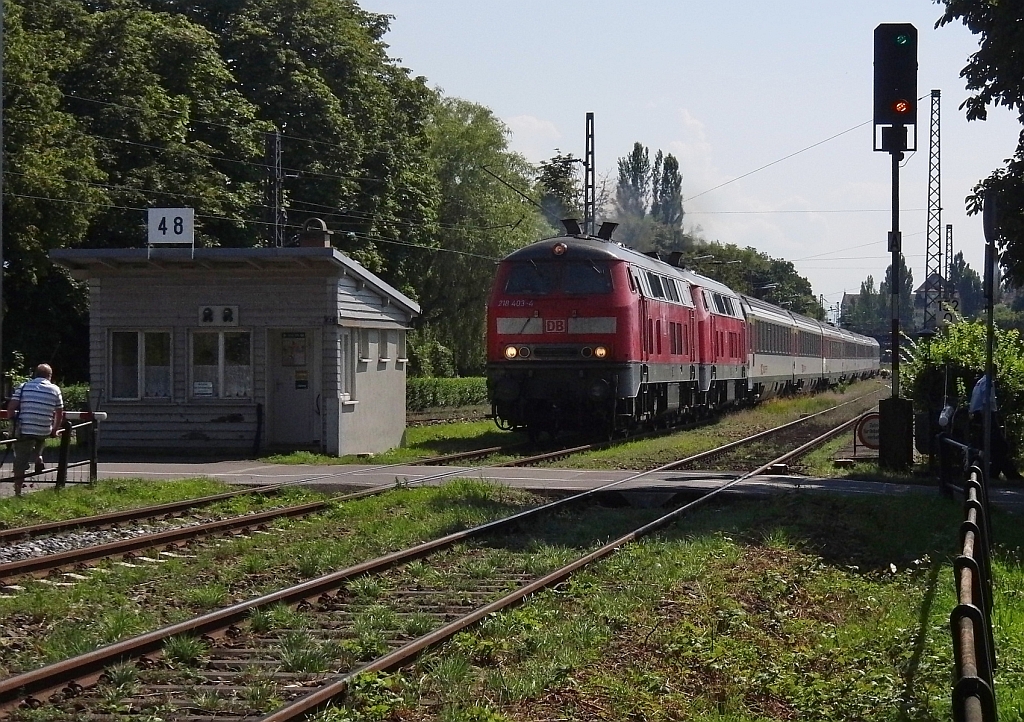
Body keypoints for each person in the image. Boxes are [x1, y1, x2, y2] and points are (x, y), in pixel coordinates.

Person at [7, 364, 64, 496]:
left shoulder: (24, 387)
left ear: (35, 374)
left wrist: (12, 420)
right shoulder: (55, 389)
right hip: (44, 429)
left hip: (25, 429)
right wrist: (54, 429)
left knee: (20, 461)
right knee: (40, 438)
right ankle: (38, 456)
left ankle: (18, 491)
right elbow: (59, 412)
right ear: (50, 376)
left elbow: (11, 407)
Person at [969, 373, 1023, 481]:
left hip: (979, 415)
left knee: (995, 449)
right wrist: (988, 420)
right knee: (1001, 447)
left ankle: (995, 474)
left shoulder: (980, 382)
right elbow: (987, 401)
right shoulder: (988, 382)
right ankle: (1008, 475)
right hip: (986, 415)